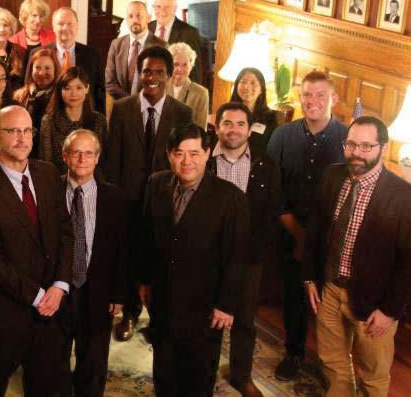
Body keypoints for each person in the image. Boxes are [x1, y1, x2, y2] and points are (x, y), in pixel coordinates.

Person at [303, 116, 411, 396]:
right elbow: (315, 231)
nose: (357, 152)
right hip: (330, 291)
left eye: (366, 146)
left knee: (373, 376)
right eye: (351, 144)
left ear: (383, 147)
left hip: (375, 304)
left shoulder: (404, 196)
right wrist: (309, 277)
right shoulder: (332, 176)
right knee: (332, 365)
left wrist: (390, 311)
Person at [0, 106, 73, 396]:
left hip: (53, 306)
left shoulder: (48, 173)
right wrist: (39, 296)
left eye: (27, 131)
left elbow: (65, 231)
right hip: (7, 314)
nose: (22, 138)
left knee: (47, 387)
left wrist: (60, 286)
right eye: (13, 131)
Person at [140, 124, 251, 397]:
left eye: (194, 153)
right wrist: (144, 282)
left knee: (198, 379)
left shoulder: (230, 198)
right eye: (179, 153)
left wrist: (226, 305)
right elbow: (146, 238)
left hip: (205, 307)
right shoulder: (156, 184)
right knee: (164, 373)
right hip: (164, 299)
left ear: (207, 153)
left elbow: (237, 256)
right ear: (169, 155)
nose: (186, 161)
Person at [106, 45, 193, 342]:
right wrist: (114, 201)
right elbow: (112, 160)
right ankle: (130, 313)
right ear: (138, 73)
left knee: (160, 258)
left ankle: (159, 318)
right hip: (128, 199)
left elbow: (184, 161)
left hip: (165, 200)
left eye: (158, 72)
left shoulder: (182, 113)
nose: (151, 77)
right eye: (146, 71)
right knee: (130, 256)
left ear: (169, 76)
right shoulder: (121, 109)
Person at [267, 70, 349, 381]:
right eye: (307, 95)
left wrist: (317, 241)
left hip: (334, 239)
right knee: (294, 298)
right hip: (290, 231)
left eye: (320, 95)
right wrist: (300, 237)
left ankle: (335, 367)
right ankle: (294, 352)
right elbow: (273, 192)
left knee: (332, 304)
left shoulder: (347, 139)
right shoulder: (281, 136)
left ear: (333, 99)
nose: (312, 101)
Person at [207, 103, 282, 396]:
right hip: (209, 257)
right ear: (216, 127)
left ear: (249, 129)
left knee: (245, 320)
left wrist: (252, 253)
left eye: (240, 124)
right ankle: (206, 370)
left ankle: (241, 375)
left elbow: (272, 213)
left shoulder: (266, 165)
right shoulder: (205, 161)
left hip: (249, 259)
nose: (233, 129)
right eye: (227, 123)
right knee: (209, 319)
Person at [59, 129, 126, 397]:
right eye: (76, 152)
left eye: (89, 153)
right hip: (58, 290)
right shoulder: (49, 190)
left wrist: (119, 294)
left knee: (94, 359)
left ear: (97, 158)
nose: (82, 159)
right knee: (54, 358)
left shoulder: (115, 198)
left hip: (97, 289)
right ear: (65, 156)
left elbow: (122, 250)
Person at [39, 67, 107, 173]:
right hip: (58, 182)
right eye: (67, 88)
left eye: (79, 88)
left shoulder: (99, 120)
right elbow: (46, 163)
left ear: (87, 88)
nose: (73, 94)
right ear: (60, 91)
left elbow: (103, 161)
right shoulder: (49, 121)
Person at [47, 7, 105, 112]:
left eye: (70, 24)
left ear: (77, 26)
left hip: (84, 118)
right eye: (60, 24)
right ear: (53, 27)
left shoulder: (93, 55)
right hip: (49, 117)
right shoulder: (40, 54)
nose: (65, 28)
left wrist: (99, 124)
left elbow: (99, 92)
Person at [105, 0, 166, 100]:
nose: (134, 20)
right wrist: (131, 102)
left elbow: (162, 84)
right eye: (130, 16)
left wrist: (141, 103)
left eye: (139, 16)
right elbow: (110, 83)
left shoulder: (161, 47)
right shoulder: (116, 45)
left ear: (148, 18)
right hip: (122, 106)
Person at [149, 0, 205, 85]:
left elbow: (195, 72)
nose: (162, 11)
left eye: (167, 7)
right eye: (158, 6)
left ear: (175, 9)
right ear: (153, 7)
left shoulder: (189, 33)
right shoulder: (146, 29)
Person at [13, 48, 61, 154]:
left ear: (55, 70)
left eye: (47, 68)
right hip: (24, 154)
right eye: (37, 67)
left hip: (51, 156)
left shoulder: (61, 97)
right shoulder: (19, 96)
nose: (41, 72)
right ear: (31, 70)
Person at [229, 67, 278, 152]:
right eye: (243, 82)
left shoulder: (270, 118)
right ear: (236, 86)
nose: (247, 87)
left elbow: (273, 149)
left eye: (253, 83)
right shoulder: (226, 113)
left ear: (261, 89)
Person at [166, 42, 208, 128]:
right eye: (176, 64)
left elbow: (201, 129)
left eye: (185, 65)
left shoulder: (201, 93)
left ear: (191, 66)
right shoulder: (160, 87)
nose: (180, 69)